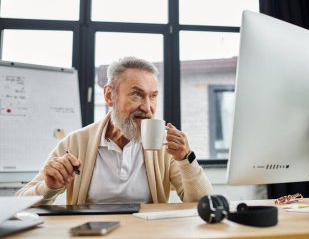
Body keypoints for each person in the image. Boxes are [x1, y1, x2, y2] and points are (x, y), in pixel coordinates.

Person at [16, 56, 213, 205]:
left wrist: (186, 159)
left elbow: (205, 204)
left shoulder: (165, 147)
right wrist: (48, 187)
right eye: (137, 94)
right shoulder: (75, 143)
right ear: (110, 96)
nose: (147, 107)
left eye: (152, 96)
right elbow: (20, 203)